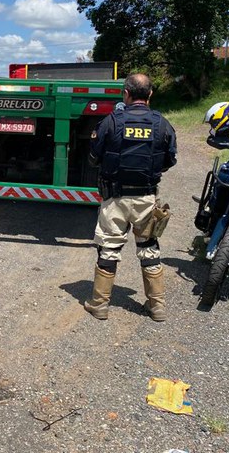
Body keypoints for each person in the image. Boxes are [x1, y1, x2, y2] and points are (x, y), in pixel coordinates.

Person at [84, 73, 178, 322]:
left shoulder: (111, 121)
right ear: (150, 95)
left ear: (126, 94)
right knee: (149, 250)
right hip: (146, 200)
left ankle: (99, 305)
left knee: (109, 250)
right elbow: (169, 160)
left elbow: (93, 156)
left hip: (114, 198)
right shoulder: (162, 124)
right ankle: (157, 307)